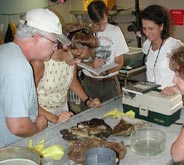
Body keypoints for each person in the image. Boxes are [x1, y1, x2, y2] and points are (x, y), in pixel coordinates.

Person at [0, 8, 70, 147]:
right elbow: (18, 126)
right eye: (54, 42)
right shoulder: (19, 68)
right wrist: (38, 127)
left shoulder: (5, 50)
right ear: (38, 38)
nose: (55, 48)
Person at [31, 23, 102, 123]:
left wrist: (88, 101)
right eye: (77, 57)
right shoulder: (40, 63)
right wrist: (55, 119)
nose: (78, 62)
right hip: (41, 116)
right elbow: (28, 102)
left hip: (62, 113)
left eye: (82, 58)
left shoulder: (70, 61)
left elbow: (73, 82)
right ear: (65, 46)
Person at [80, 0, 129, 110]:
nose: (102, 28)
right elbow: (75, 62)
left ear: (107, 16)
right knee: (86, 120)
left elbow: (119, 62)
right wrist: (90, 64)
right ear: (91, 19)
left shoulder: (115, 31)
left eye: (104, 23)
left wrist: (106, 72)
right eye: (98, 24)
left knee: (114, 117)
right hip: (89, 84)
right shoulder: (84, 33)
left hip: (109, 84)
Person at [141, 4, 182, 95]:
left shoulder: (175, 46)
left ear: (161, 27)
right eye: (144, 28)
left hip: (169, 96)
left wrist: (175, 88)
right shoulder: (146, 45)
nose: (147, 33)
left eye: (151, 29)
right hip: (151, 94)